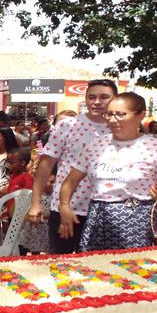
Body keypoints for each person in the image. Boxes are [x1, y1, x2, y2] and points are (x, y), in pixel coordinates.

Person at [58, 92, 157, 251]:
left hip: (136, 221)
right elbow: (70, 181)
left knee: (130, 269)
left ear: (140, 115)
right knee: (93, 268)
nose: (113, 120)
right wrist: (65, 206)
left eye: (120, 114)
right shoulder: (96, 144)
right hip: (97, 218)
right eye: (109, 114)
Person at [26, 79, 118, 254]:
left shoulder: (120, 128)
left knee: (99, 266)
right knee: (60, 265)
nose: (97, 102)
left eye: (104, 97)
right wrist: (36, 203)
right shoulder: (67, 125)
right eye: (92, 97)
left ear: (115, 99)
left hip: (106, 210)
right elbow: (45, 166)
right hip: (66, 208)